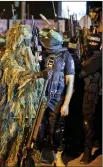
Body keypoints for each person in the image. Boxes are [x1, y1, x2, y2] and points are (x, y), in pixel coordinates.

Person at [0, 24, 47, 167]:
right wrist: (37, 75)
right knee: (10, 141)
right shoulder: (8, 56)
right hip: (13, 107)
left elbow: (38, 83)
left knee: (27, 141)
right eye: (23, 38)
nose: (26, 42)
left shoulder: (30, 56)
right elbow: (16, 74)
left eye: (28, 39)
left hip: (30, 108)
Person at [39, 28, 75, 166]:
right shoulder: (43, 54)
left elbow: (70, 82)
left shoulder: (67, 56)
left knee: (56, 128)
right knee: (40, 127)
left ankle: (57, 155)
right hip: (42, 96)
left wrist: (66, 104)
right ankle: (42, 152)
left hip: (58, 97)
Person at [79, 33, 102, 164]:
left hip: (93, 95)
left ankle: (87, 154)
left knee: (88, 123)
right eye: (90, 42)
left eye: (95, 42)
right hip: (90, 94)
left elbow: (83, 73)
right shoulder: (89, 55)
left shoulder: (99, 57)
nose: (92, 44)